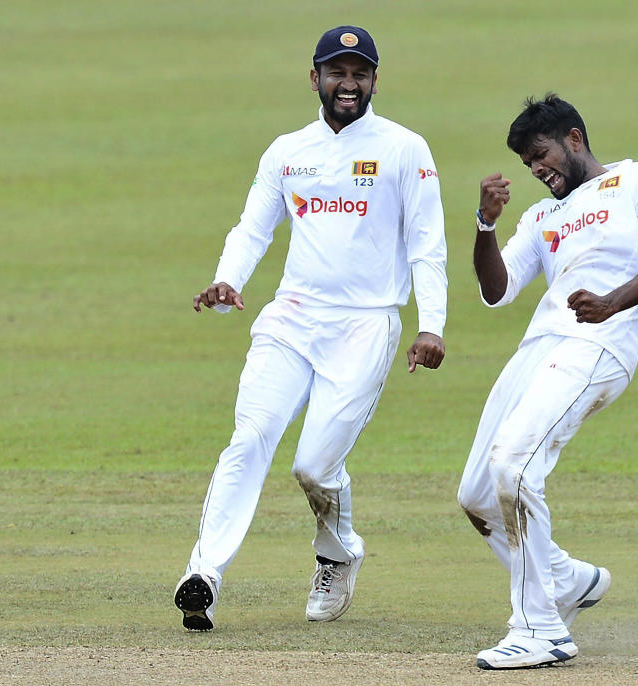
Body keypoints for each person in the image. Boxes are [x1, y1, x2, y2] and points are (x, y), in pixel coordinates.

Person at [173, 25, 447, 631]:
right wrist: (227, 282)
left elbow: (428, 243)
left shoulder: (405, 149)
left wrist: (431, 326)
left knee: (314, 468)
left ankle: (338, 551)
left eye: (359, 73)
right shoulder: (286, 150)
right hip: (292, 318)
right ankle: (204, 574)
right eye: (336, 72)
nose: (347, 84)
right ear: (315, 77)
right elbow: (252, 228)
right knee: (250, 437)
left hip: (366, 324)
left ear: (375, 79)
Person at [457, 94, 638, 669]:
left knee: (514, 465)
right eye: (527, 165)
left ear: (574, 138)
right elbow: (497, 290)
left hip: (598, 344)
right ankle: (566, 580)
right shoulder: (543, 216)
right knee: (478, 496)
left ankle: (541, 629)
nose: (537, 171)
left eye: (540, 155)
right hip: (537, 350)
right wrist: (485, 223)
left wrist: (613, 303)